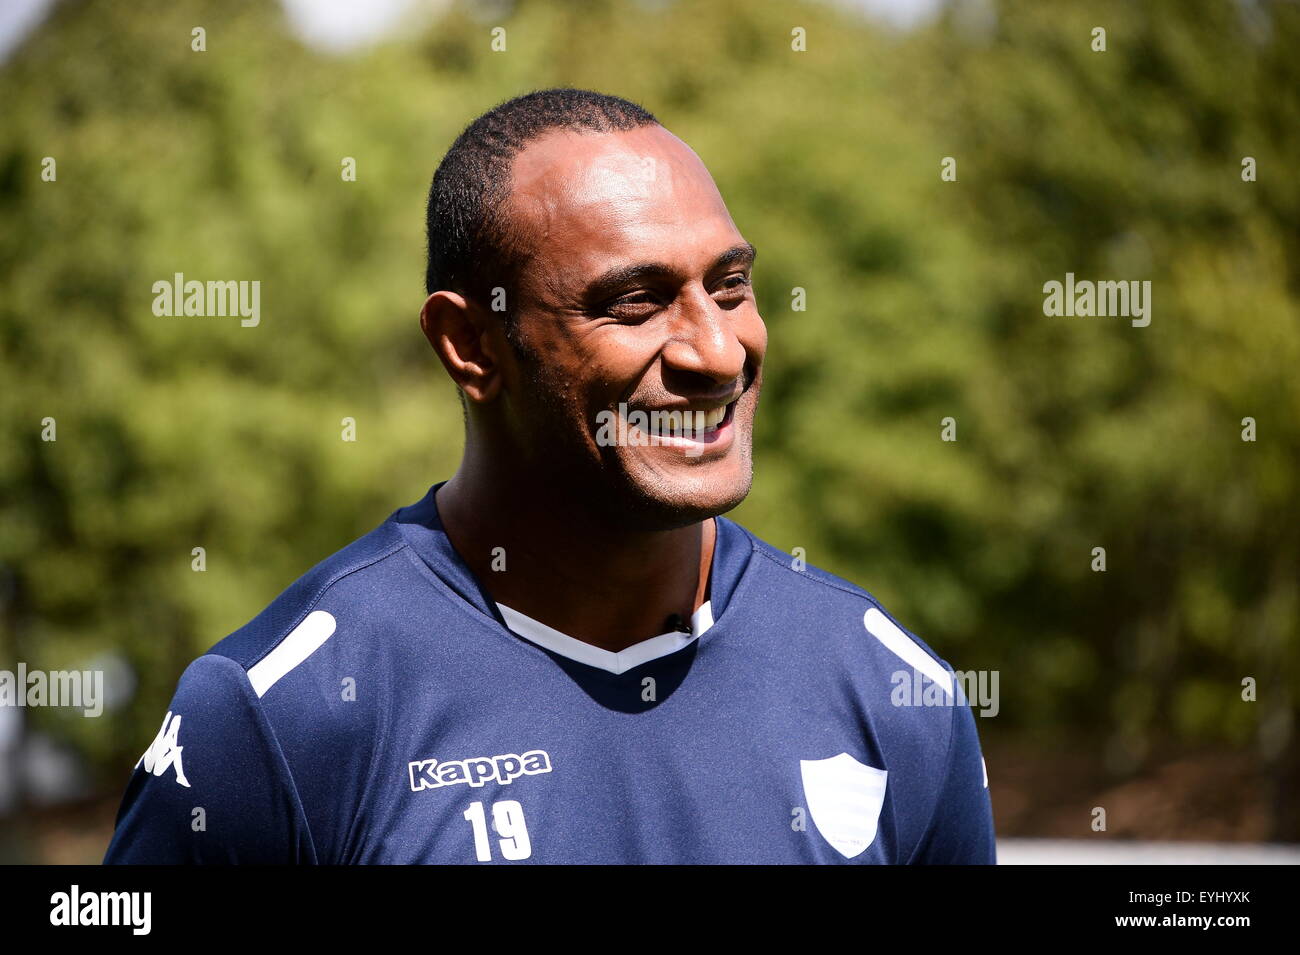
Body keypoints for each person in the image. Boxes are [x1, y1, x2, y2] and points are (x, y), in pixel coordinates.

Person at [104, 88, 995, 864]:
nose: (718, 352)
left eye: (730, 287)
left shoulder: (890, 692)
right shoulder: (280, 717)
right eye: (635, 303)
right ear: (472, 345)